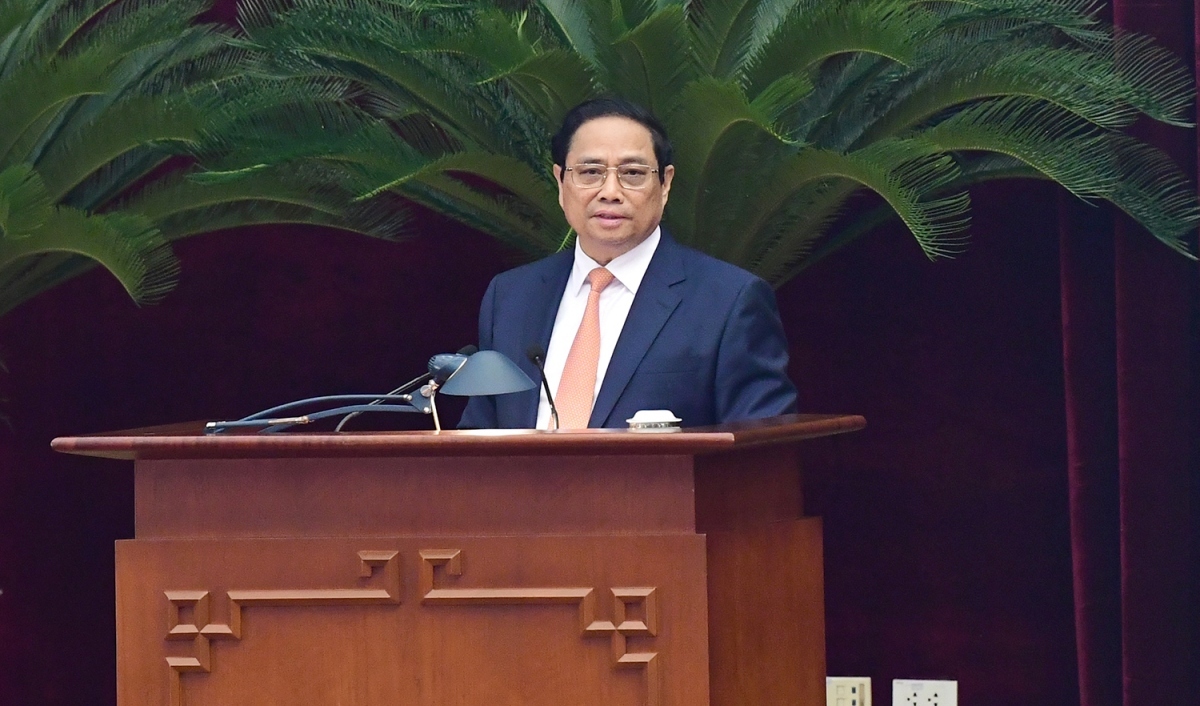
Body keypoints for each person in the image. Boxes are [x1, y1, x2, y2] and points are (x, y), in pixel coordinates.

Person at [459, 97, 797, 429]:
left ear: (665, 184)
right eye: (590, 172)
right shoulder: (511, 296)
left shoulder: (728, 301)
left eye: (632, 173)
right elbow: (476, 439)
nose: (610, 191)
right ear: (561, 181)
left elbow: (760, 451)